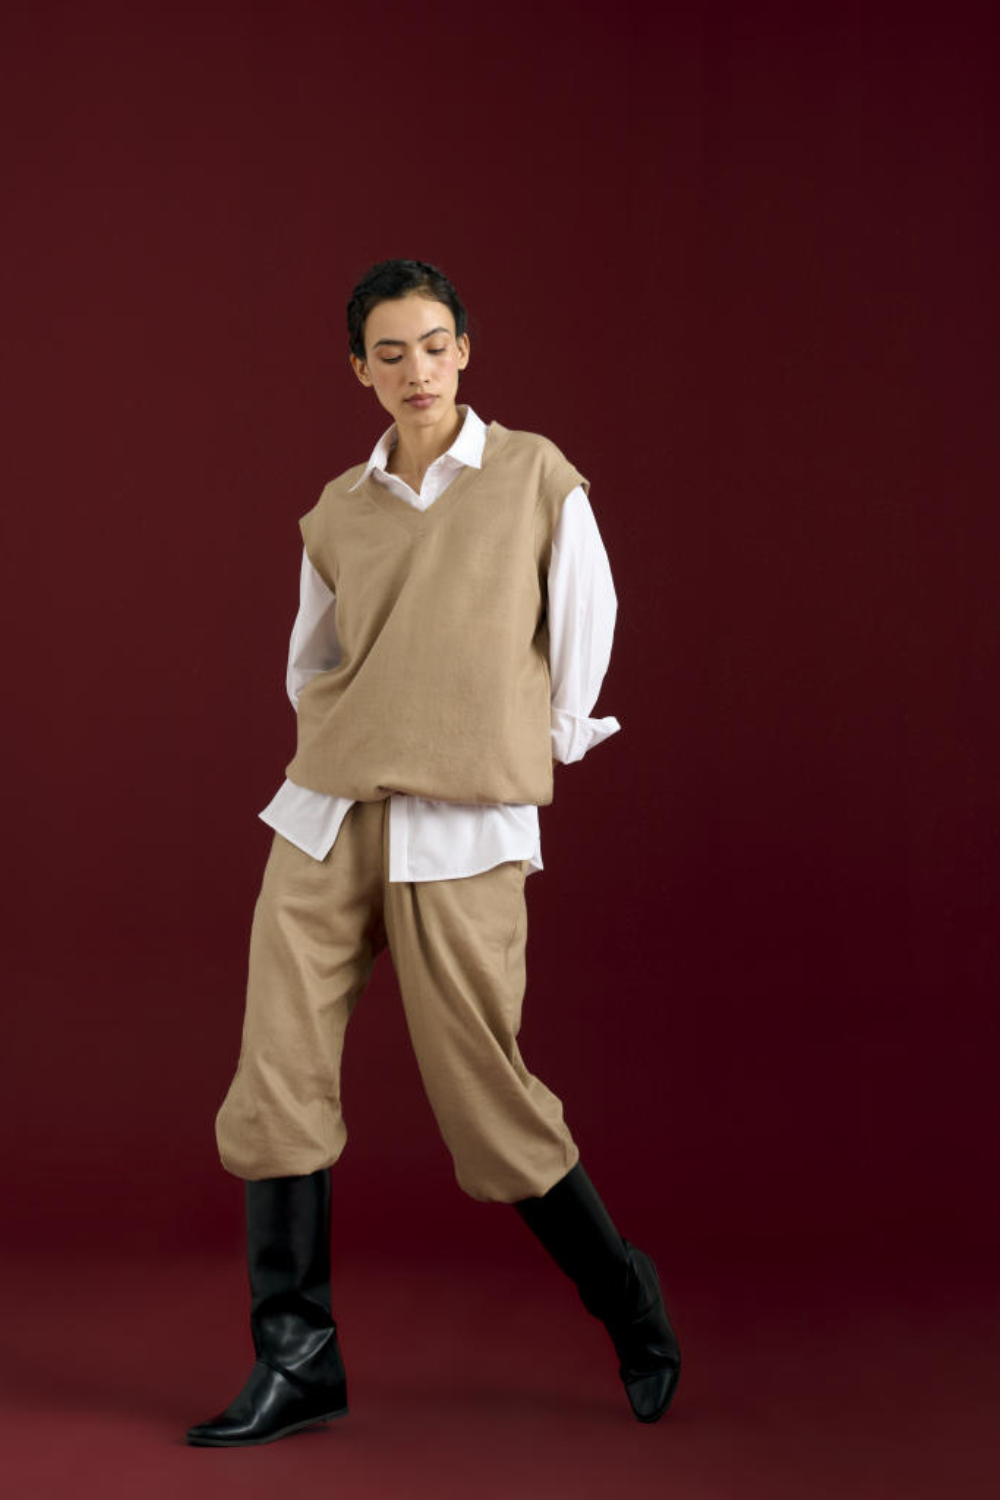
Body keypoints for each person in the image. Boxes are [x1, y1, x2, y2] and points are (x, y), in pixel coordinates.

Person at [186, 258, 681, 1448]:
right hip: (325, 812)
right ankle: (297, 1358)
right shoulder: (336, 511)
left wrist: (506, 743)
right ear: (360, 369)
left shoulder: (534, 477)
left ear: (465, 350)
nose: (418, 369)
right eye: (391, 352)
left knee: (482, 1091)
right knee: (276, 1072)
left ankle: (627, 1299)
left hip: (462, 820)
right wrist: (359, 737)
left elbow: (586, 632)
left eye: (435, 344)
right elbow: (311, 662)